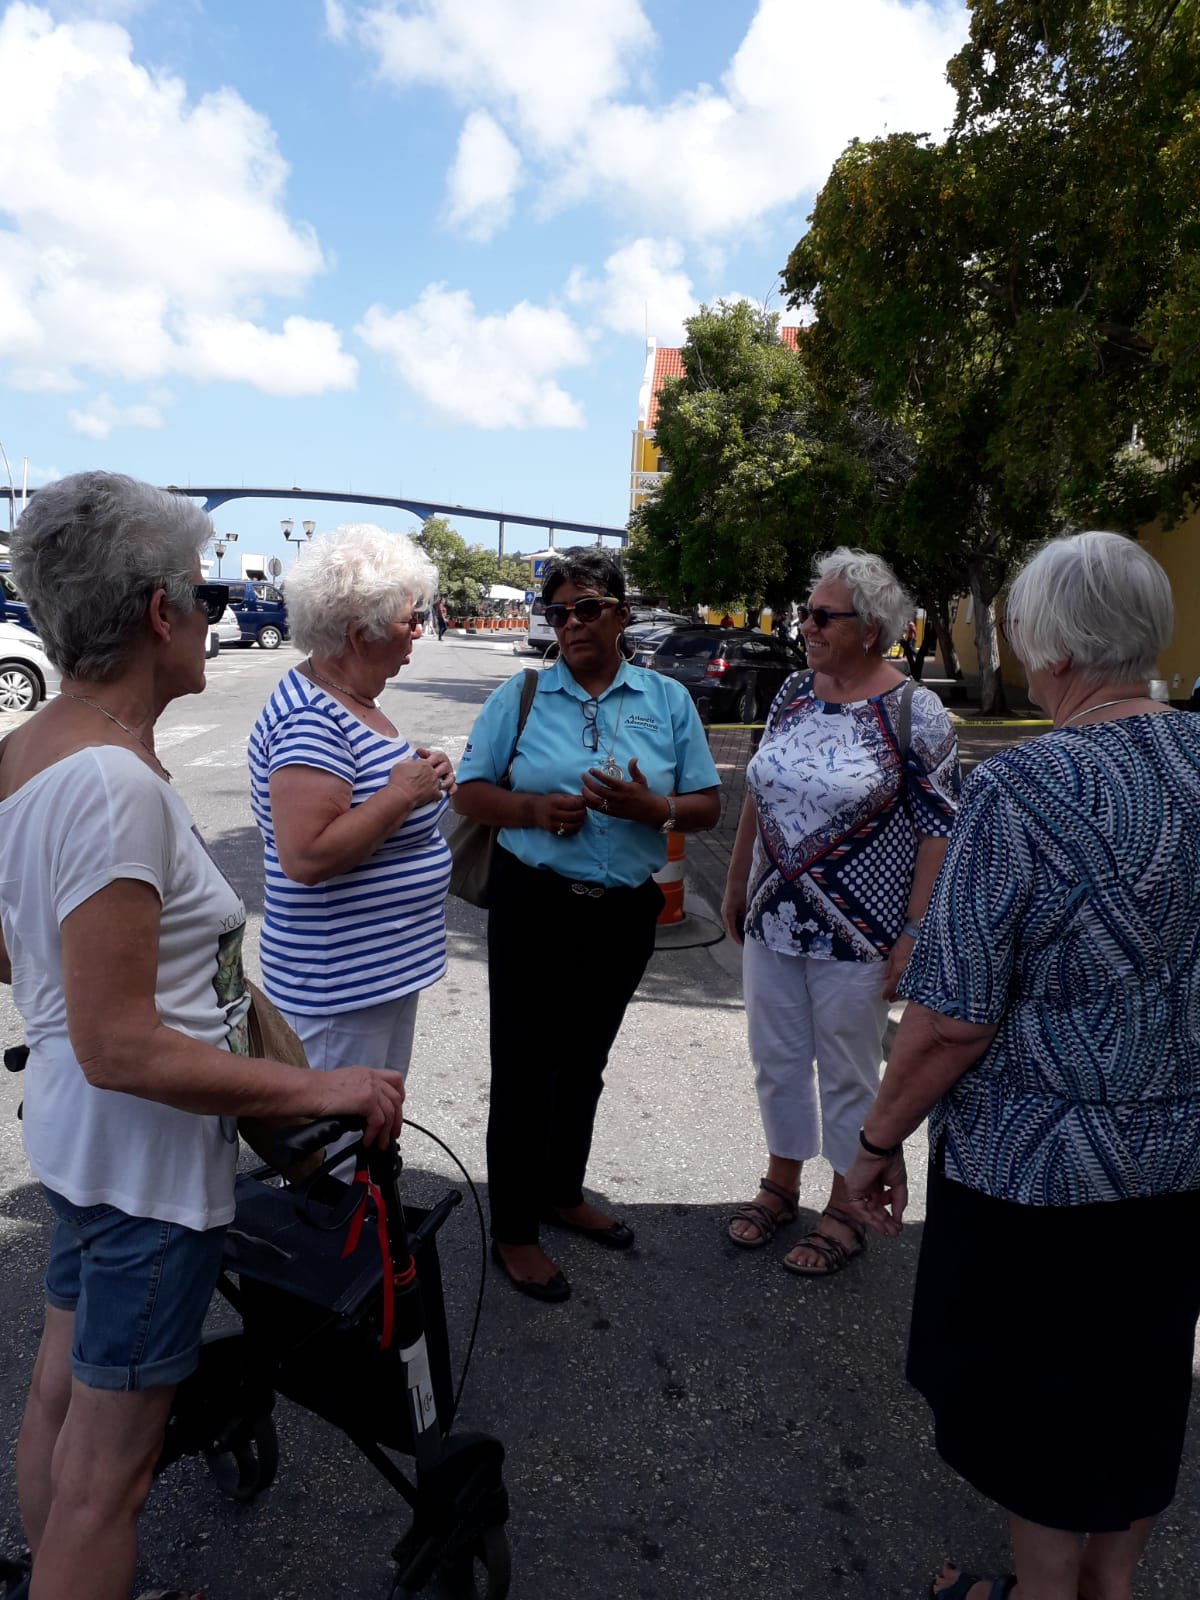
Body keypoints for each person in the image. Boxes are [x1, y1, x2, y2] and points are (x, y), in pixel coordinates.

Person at [0, 473, 405, 1600]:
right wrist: (326, 1091)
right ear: (156, 613)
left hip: (79, 1143)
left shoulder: (32, 749)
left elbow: (19, 949)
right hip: (144, 1172)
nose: (216, 613)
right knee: (109, 1483)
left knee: (61, 1405)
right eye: (204, 593)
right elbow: (123, 1045)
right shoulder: (113, 785)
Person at [844, 530, 1200, 1600]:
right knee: (1142, 1386)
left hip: (1037, 1171)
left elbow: (950, 1020)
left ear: (1052, 651)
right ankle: (1110, 1586)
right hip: (1180, 1157)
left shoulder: (1024, 788)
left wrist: (874, 1143)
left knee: (1042, 1413)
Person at [453, 549, 721, 1302]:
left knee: (584, 1061)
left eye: (587, 609)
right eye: (559, 612)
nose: (571, 623)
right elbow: (470, 792)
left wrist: (653, 808)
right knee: (524, 1065)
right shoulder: (523, 695)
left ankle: (562, 1191)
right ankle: (514, 1229)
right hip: (533, 902)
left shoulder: (667, 700)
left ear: (621, 615)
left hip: (624, 910)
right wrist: (534, 809)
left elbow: (707, 806)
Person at [722, 548, 959, 1274]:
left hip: (861, 933)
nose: (807, 626)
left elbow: (938, 830)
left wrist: (914, 931)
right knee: (777, 1058)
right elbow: (759, 791)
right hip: (774, 918)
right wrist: (737, 883)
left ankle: (845, 1203)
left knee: (849, 1069)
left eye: (823, 616)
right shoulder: (795, 690)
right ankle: (781, 1180)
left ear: (872, 628)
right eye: (806, 613)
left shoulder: (916, 712)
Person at [249, 524, 454, 1084]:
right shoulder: (310, 719)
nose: (419, 630)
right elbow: (307, 856)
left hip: (373, 979)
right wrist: (402, 793)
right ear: (361, 635)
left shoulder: (348, 697)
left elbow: (367, 785)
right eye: (410, 619)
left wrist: (424, 776)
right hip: (337, 993)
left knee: (372, 1123)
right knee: (341, 1131)